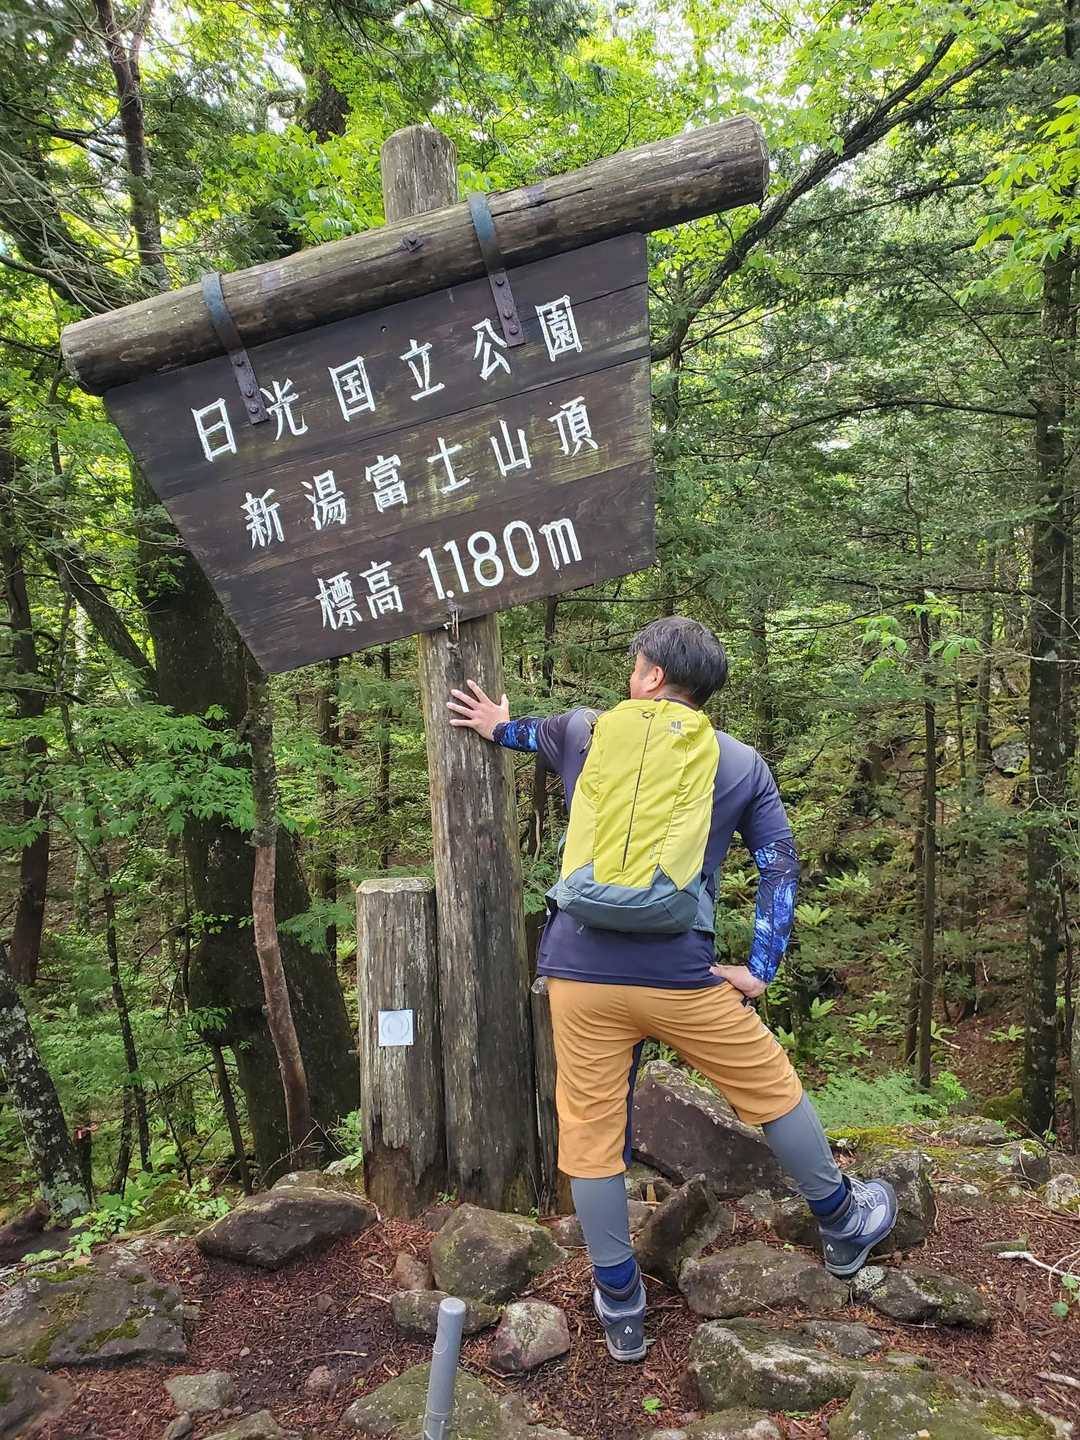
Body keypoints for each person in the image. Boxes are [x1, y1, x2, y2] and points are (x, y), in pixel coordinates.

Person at [447, 616, 897, 1362]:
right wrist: (758, 969)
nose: (632, 673)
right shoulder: (739, 762)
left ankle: (621, 1304)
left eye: (636, 664)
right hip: (682, 977)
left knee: (591, 1134)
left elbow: (522, 733)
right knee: (773, 1092)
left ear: (653, 676)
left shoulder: (585, 730)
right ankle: (844, 1223)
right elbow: (780, 868)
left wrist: (495, 723)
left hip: (579, 973)